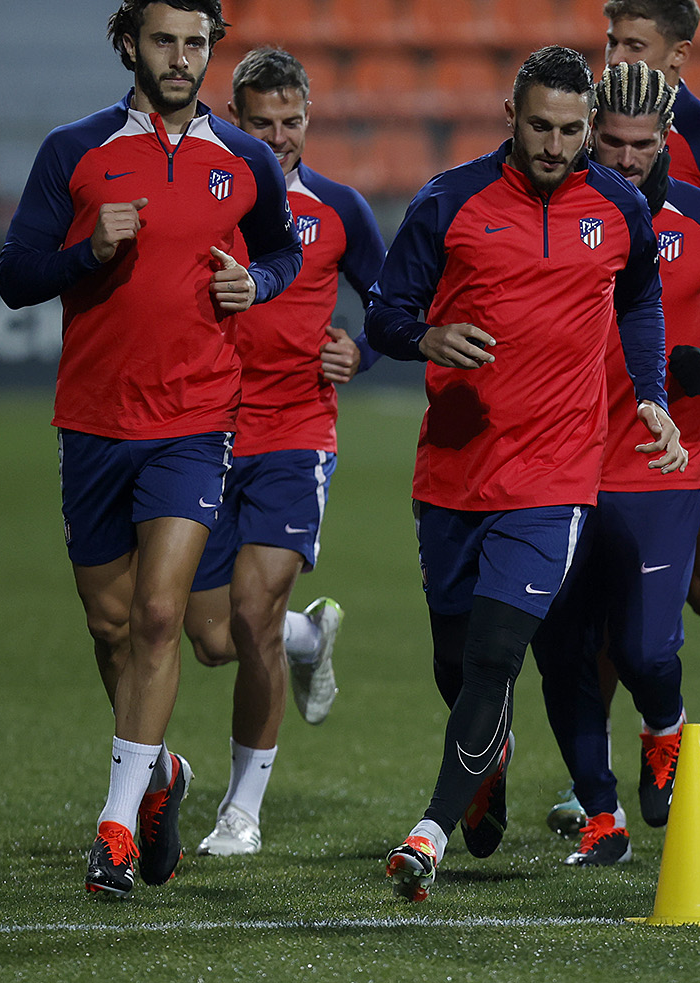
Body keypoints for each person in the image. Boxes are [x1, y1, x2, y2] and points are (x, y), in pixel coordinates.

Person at [0, 0, 302, 898]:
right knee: (112, 622)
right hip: (92, 422)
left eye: (197, 43)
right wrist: (86, 251)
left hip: (195, 419)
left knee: (165, 614)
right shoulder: (75, 152)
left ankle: (117, 825)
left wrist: (261, 285)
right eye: (165, 41)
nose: (182, 59)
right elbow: (15, 274)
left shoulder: (242, 159)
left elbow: (283, 248)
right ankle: (158, 771)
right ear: (129, 44)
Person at [364, 46, 684, 902]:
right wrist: (427, 337)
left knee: (498, 655)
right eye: (539, 126)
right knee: (456, 659)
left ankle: (427, 832)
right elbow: (385, 314)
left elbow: (642, 297)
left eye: (572, 130)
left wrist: (649, 393)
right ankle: (487, 757)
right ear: (510, 114)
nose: (554, 145)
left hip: (555, 475)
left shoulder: (617, 205)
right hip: (454, 468)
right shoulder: (449, 200)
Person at [530, 62, 700, 867]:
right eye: (612, 142)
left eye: (643, 144)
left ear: (667, 138)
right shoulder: (553, 210)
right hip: (562, 459)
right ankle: (599, 812)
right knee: (566, 648)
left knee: (644, 650)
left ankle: (665, 727)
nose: (628, 158)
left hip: (660, 459)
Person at [181, 46, 386, 857]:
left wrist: (359, 354)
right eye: (260, 123)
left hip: (294, 437)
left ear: (309, 118)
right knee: (211, 638)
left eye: (291, 121)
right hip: (203, 430)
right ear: (235, 122)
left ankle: (241, 810)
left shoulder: (338, 210)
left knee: (250, 616)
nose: (278, 137)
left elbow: (396, 305)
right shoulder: (204, 201)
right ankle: (311, 637)